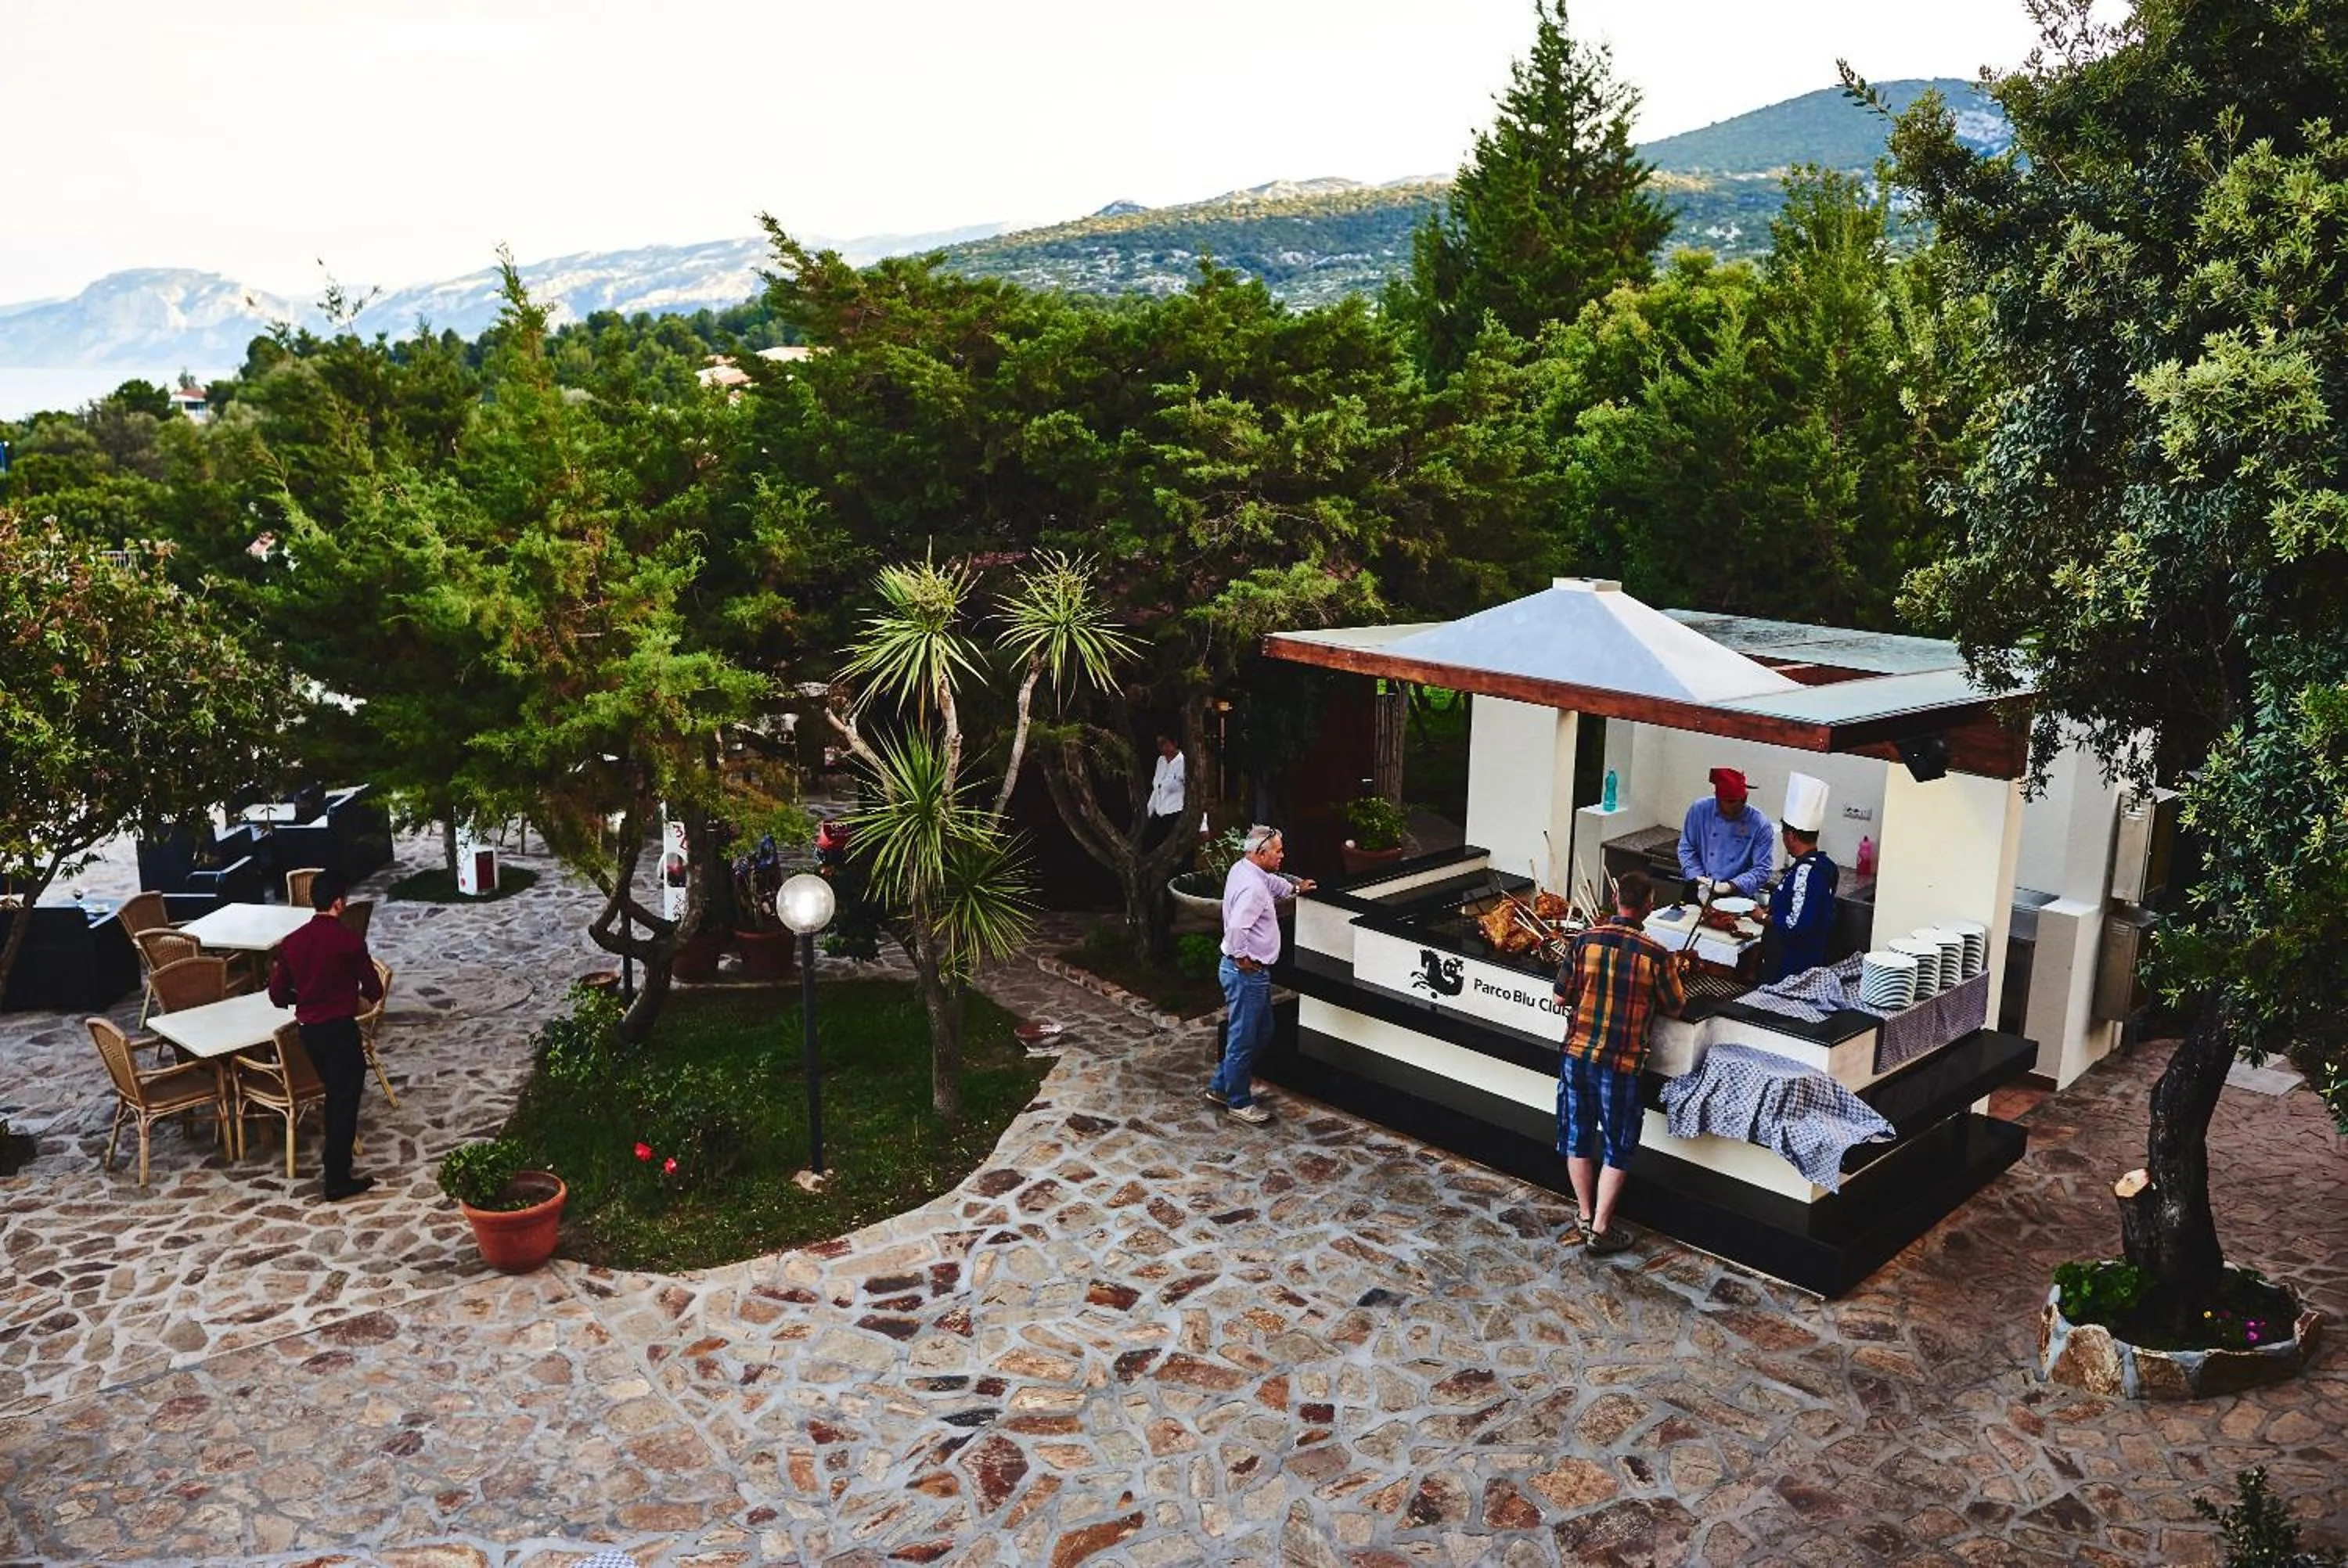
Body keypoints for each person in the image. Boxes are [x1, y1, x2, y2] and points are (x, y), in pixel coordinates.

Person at [1551, 871, 1687, 1255]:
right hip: (1622, 1064)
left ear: (1615, 898)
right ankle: (1600, 1229)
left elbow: (1561, 997)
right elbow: (1677, 1008)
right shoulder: (1657, 955)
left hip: (1577, 1055)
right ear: (1648, 905)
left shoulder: (1584, 941)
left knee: (1576, 1134)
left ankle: (1583, 1214)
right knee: (1619, 1144)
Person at [267, 869, 385, 1201]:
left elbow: (277, 995)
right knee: (344, 1101)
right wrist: (358, 996)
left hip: (308, 1034)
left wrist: (303, 995)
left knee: (334, 1095)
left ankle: (335, 1165)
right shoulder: (348, 941)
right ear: (339, 902)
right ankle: (336, 1176)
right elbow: (373, 988)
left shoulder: (292, 943)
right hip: (340, 1031)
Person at [1208, 825, 1314, 1126]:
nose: (1283, 855)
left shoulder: (1245, 870)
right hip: (1247, 974)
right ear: (1260, 853)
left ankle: (1220, 1085)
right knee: (1244, 1039)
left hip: (1250, 974)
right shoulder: (1253, 888)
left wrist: (1295, 888)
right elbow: (1238, 928)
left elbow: (1272, 883)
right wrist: (1241, 956)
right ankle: (1239, 1101)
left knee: (1263, 1031)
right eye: (1278, 851)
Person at [1763, 771, 1838, 983]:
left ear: (1791, 836)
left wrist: (1761, 917)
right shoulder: (1826, 865)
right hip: (1812, 961)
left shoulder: (1805, 872)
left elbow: (1795, 924)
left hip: (1794, 965)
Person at [1676, 767, 1773, 901]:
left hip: (1737, 895)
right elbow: (1687, 848)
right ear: (1716, 797)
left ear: (1745, 798)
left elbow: (1762, 869)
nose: (1730, 812)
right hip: (1698, 887)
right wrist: (1699, 879)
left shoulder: (1760, 824)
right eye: (1724, 808)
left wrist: (1730, 886)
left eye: (1735, 808)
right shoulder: (1699, 810)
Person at [1144, 734, 1187, 850]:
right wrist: (1148, 812)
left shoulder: (1184, 763)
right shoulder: (1161, 761)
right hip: (1159, 814)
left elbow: (1195, 794)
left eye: (1165, 743)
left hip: (1176, 814)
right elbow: (1157, 789)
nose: (1161, 747)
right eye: (1159, 744)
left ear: (1175, 743)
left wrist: (1203, 825)